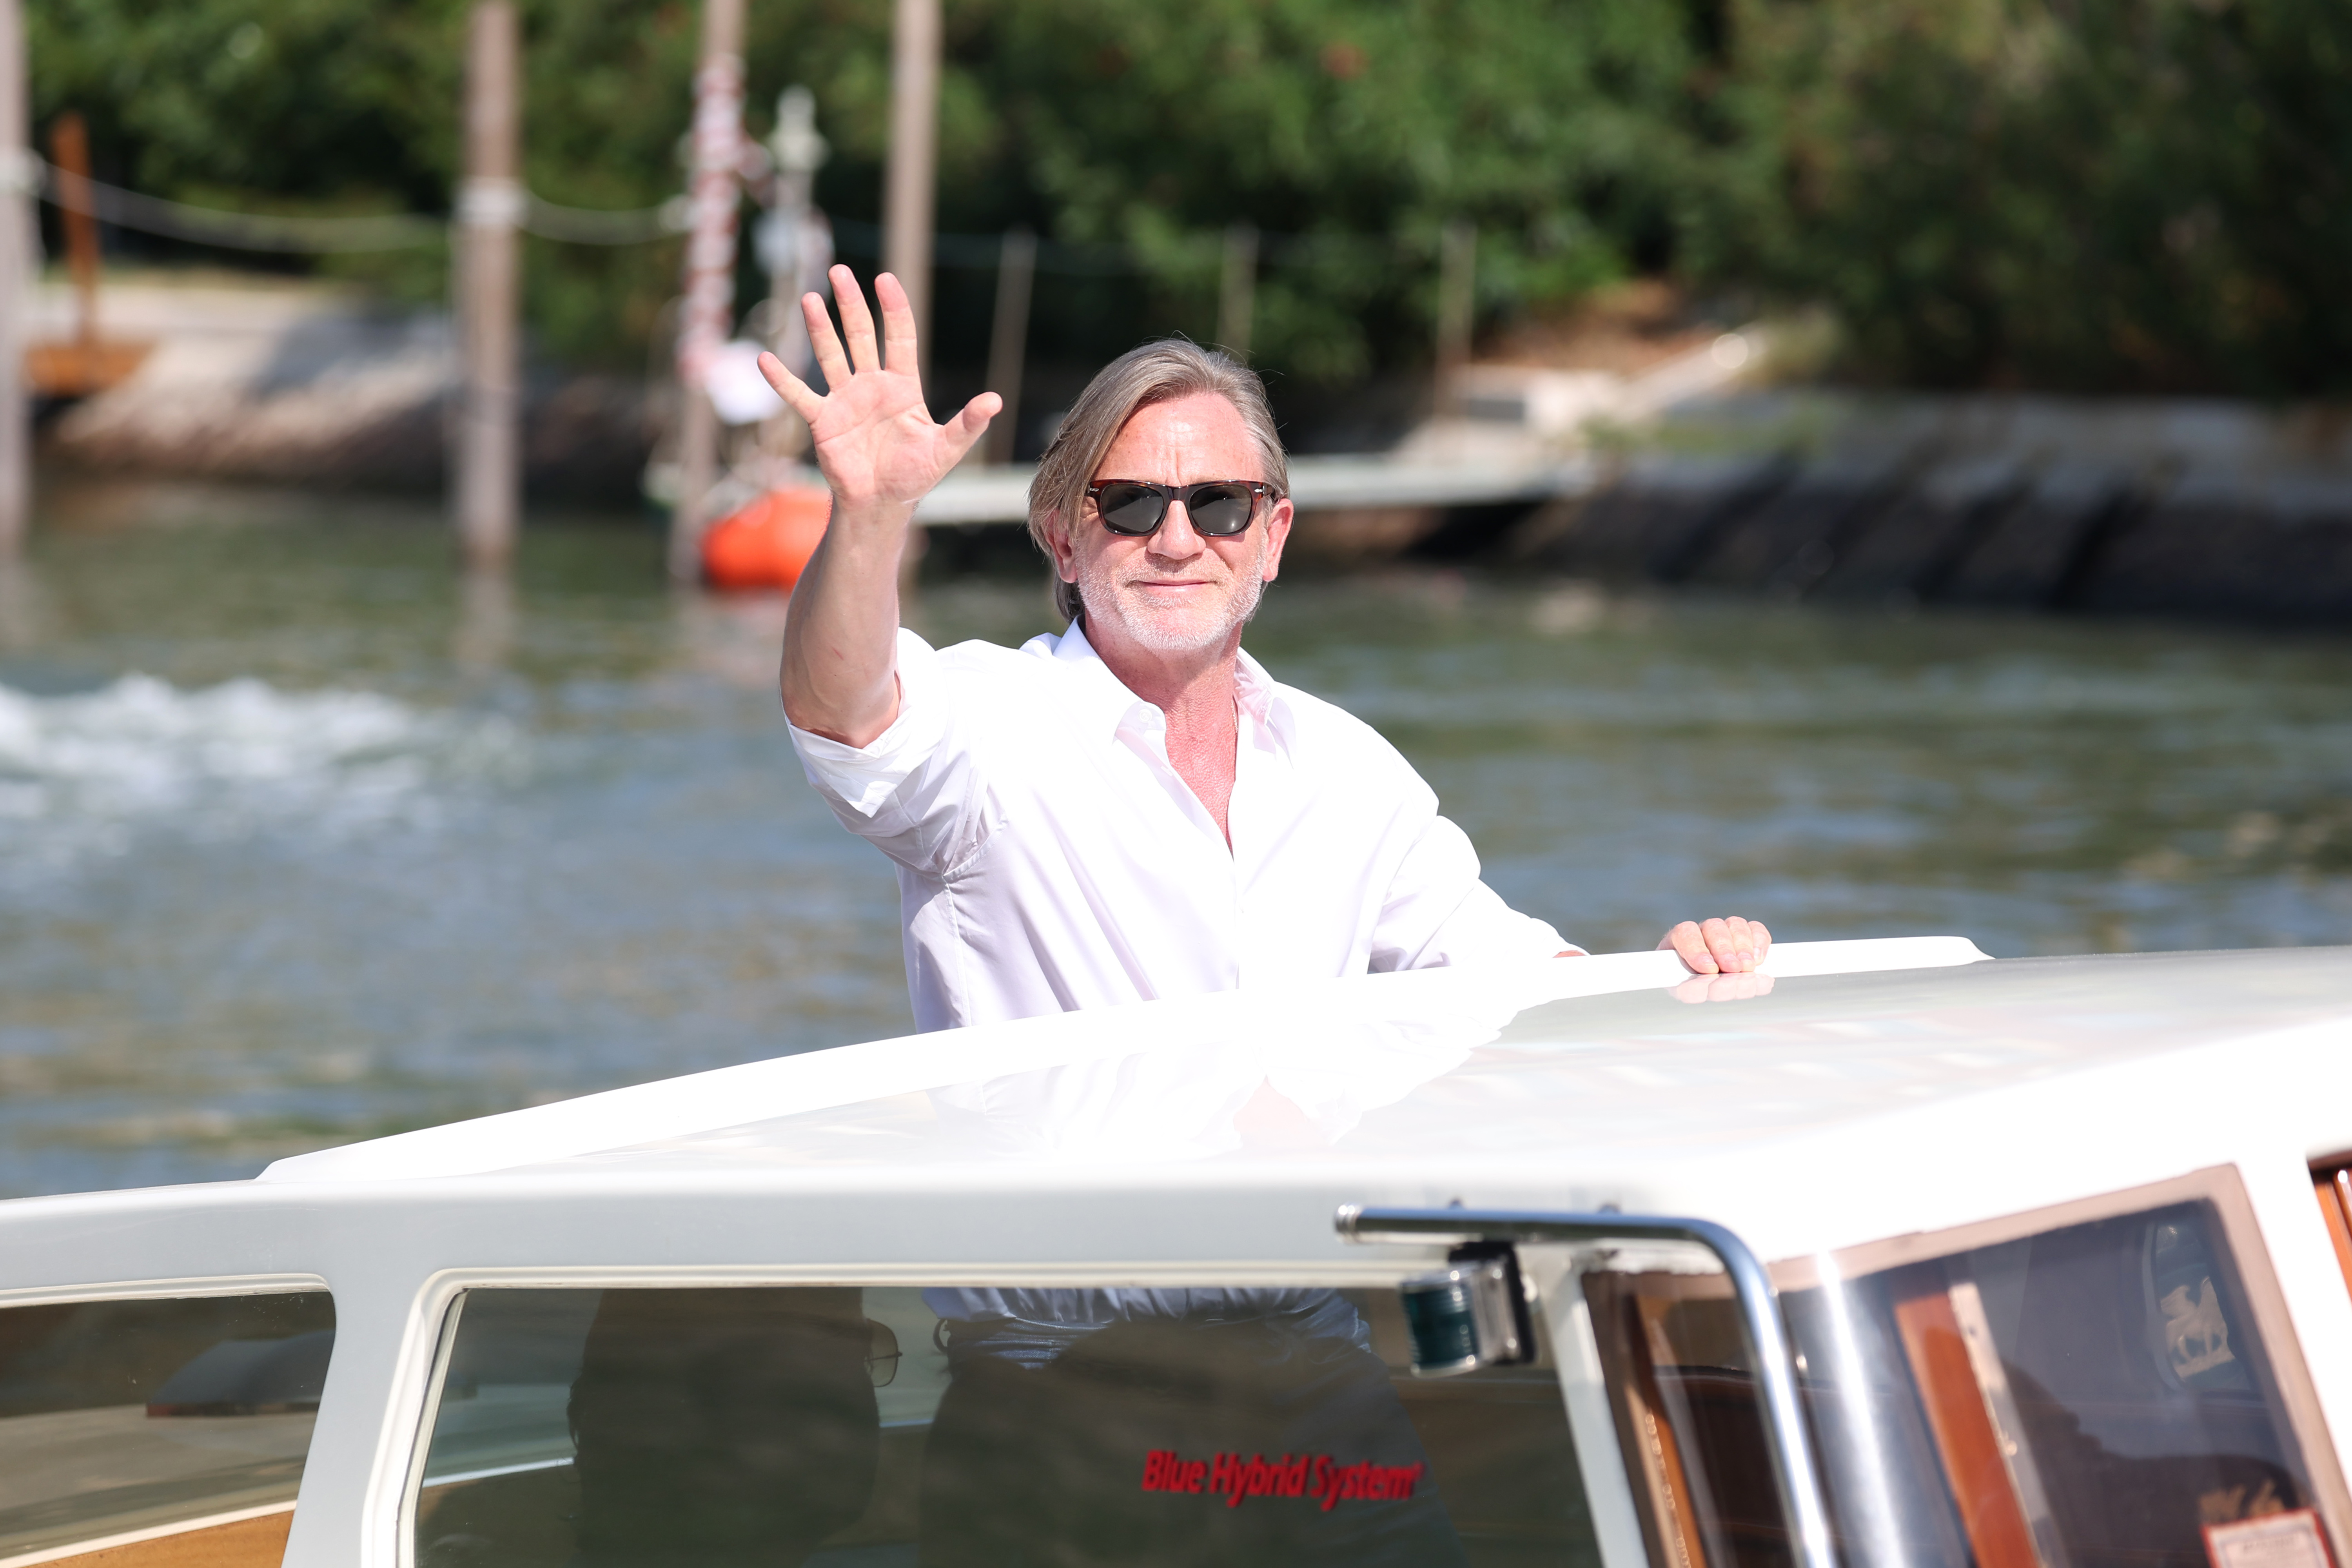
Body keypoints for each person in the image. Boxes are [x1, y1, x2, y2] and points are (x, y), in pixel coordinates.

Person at [757, 267, 1768, 1033]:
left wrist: (1688, 979)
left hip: (1315, 1308)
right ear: (1064, 535)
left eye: (1220, 504)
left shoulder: (1346, 770)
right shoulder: (994, 729)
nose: (1178, 537)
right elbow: (845, 711)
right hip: (1063, 1315)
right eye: (1132, 503)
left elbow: (1528, 990)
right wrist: (869, 515)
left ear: (1274, 536)